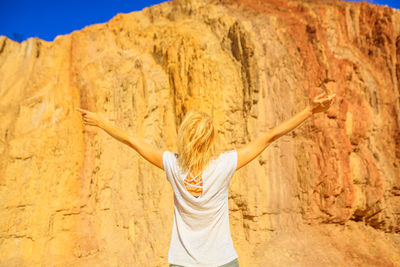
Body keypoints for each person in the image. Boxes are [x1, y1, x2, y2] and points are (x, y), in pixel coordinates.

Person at [76, 91, 336, 267]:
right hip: (222, 261)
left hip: (182, 262)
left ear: (184, 136)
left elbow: (133, 141)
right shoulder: (223, 165)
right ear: (210, 139)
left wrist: (101, 122)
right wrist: (309, 110)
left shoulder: (172, 166)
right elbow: (269, 136)